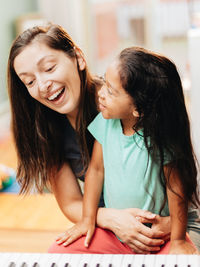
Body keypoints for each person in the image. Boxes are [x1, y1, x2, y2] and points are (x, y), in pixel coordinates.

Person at [7, 24, 199, 253]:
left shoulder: (122, 103)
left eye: (49, 68)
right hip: (114, 231)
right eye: (29, 81)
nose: (42, 86)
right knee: (58, 253)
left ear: (78, 57)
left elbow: (179, 185)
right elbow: (71, 201)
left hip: (170, 224)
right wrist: (112, 219)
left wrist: (169, 229)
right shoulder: (45, 128)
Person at [54, 47, 200, 254]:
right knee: (58, 253)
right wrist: (87, 220)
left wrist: (177, 240)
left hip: (157, 235)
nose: (101, 93)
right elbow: (95, 171)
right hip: (118, 234)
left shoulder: (160, 138)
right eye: (104, 82)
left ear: (138, 109)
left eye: (111, 91)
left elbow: (176, 188)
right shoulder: (104, 123)